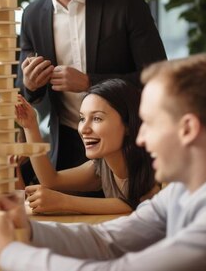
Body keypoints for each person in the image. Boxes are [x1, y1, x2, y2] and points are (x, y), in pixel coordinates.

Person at [0, 53, 206, 271]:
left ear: (188, 129)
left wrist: (7, 251)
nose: (141, 138)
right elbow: (107, 240)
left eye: (150, 123)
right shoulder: (190, 187)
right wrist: (26, 228)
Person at [17, 0, 167, 181]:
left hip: (126, 145)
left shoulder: (126, 1)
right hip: (66, 148)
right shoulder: (31, 15)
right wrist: (30, 84)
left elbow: (157, 76)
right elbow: (27, 90)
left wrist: (89, 82)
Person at [16, 78, 158, 214]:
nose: (84, 129)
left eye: (97, 118)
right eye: (82, 119)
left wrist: (63, 201)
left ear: (128, 124)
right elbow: (50, 181)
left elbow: (138, 206)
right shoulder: (101, 167)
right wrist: (30, 125)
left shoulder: (157, 167)